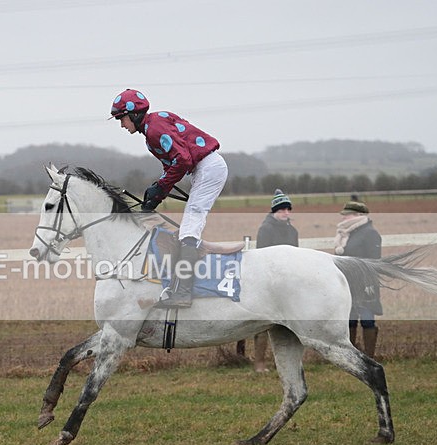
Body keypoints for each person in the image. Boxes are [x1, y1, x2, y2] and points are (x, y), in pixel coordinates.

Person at [110, 88, 228, 308]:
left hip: (209, 168)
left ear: (134, 114)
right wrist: (156, 192)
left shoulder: (154, 129)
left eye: (122, 119)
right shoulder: (152, 130)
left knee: (189, 229)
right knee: (188, 228)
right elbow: (172, 166)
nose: (122, 125)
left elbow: (182, 160)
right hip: (205, 168)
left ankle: (183, 293)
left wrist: (161, 187)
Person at [236, 189, 299, 372]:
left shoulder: (293, 231)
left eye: (288, 209)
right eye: (281, 210)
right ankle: (259, 363)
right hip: (268, 282)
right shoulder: (266, 229)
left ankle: (288, 363)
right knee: (263, 322)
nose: (285, 213)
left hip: (288, 281)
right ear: (274, 211)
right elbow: (263, 256)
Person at [333, 199, 382, 358]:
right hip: (349, 283)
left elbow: (374, 261)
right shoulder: (346, 234)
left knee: (367, 319)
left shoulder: (370, 234)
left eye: (346, 215)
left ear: (357, 215)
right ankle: (351, 354)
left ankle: (369, 356)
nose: (343, 218)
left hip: (365, 283)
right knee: (350, 319)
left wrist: (368, 283)